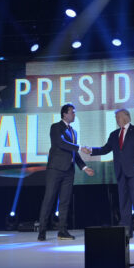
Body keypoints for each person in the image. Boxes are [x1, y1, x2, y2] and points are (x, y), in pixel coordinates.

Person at [83, 109, 134, 239]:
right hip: (121, 172)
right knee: (124, 203)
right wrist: (90, 150)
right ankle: (127, 231)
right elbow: (105, 149)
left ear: (126, 116)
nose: (117, 119)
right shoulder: (114, 134)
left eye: (118, 116)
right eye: (115, 117)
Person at [38, 103, 94, 241]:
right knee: (49, 199)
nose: (74, 114)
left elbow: (73, 152)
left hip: (69, 171)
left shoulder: (74, 132)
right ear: (64, 114)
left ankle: (62, 231)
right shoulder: (56, 127)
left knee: (64, 201)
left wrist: (84, 167)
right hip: (55, 169)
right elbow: (61, 143)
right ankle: (42, 231)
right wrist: (81, 147)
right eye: (72, 112)